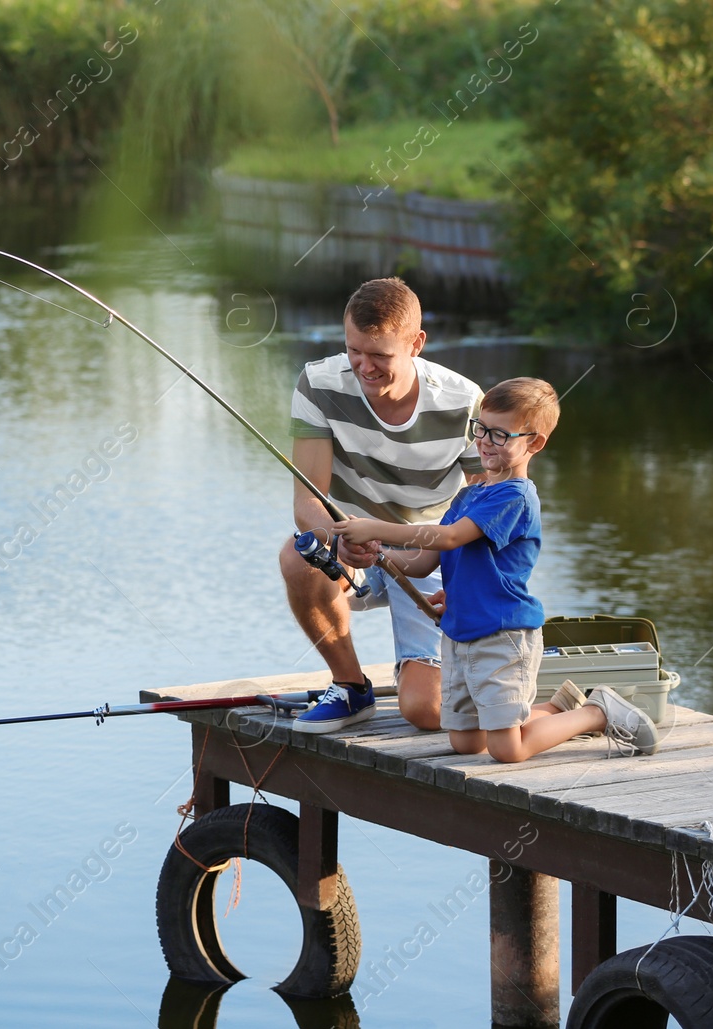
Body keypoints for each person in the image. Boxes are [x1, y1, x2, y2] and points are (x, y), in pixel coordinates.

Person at [331, 377, 658, 761]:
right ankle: (559, 707)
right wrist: (378, 553)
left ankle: (597, 711)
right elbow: (422, 562)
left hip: (503, 635)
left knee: (507, 749)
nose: (484, 441)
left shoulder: (514, 496)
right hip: (460, 633)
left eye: (500, 434)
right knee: (466, 742)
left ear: (534, 443)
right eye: (481, 429)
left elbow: (450, 538)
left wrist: (376, 526)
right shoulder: (471, 495)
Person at [282, 278, 483, 734]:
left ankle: (514, 685)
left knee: (426, 712)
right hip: (355, 545)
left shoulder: (463, 401)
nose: (363, 366)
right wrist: (339, 536)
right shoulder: (318, 382)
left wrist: (468, 583)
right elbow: (308, 500)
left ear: (416, 344)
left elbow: (486, 511)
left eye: (380, 356)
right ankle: (351, 687)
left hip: (431, 558)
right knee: (299, 556)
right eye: (354, 349)